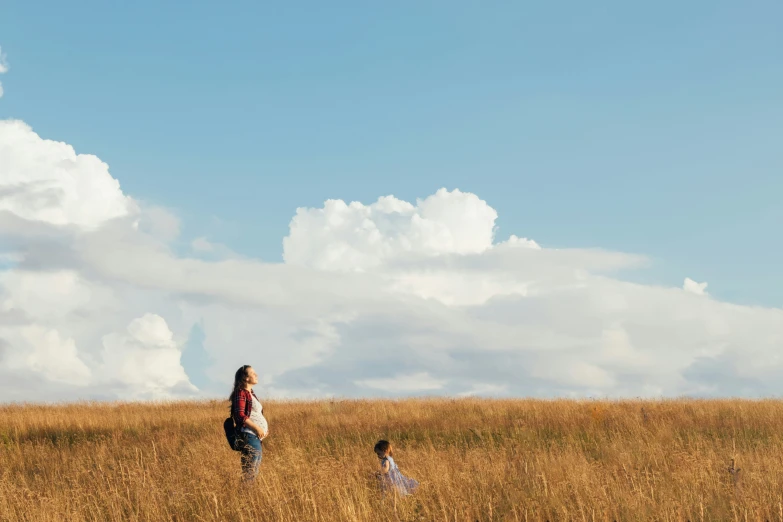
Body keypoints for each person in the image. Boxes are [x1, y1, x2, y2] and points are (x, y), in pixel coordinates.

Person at [230, 365, 268, 481]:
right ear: (245, 378)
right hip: (249, 435)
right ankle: (245, 496)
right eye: (252, 373)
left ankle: (246, 496)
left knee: (252, 472)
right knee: (250, 473)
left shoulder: (251, 393)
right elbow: (240, 415)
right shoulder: (241, 393)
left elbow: (256, 414)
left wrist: (263, 429)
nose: (256, 375)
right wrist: (257, 428)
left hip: (255, 437)